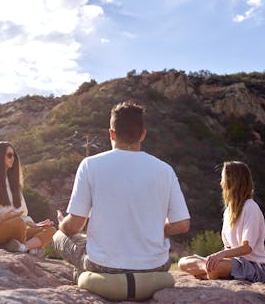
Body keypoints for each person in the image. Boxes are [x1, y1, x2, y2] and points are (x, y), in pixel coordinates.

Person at [53, 101, 190, 280]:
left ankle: (87, 277)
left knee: (59, 237)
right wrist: (154, 228)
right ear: (143, 135)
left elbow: (75, 225)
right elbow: (182, 224)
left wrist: (62, 224)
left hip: (104, 266)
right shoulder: (165, 170)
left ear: (111, 133)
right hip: (155, 267)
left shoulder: (90, 165)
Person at [178, 161, 265, 282]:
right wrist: (215, 258)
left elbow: (247, 248)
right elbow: (228, 247)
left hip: (254, 267)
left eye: (223, 179)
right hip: (232, 263)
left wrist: (219, 255)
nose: (221, 183)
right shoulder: (228, 211)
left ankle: (209, 272)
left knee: (217, 266)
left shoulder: (250, 207)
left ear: (232, 182)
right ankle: (210, 271)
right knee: (183, 262)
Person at [0, 141, 56, 255]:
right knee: (17, 222)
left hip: (16, 228)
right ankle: (31, 248)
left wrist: (34, 225)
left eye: (14, 155)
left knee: (50, 230)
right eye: (9, 155)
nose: (12, 158)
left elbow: (22, 214)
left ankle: (23, 247)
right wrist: (2, 216)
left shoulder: (14, 184)